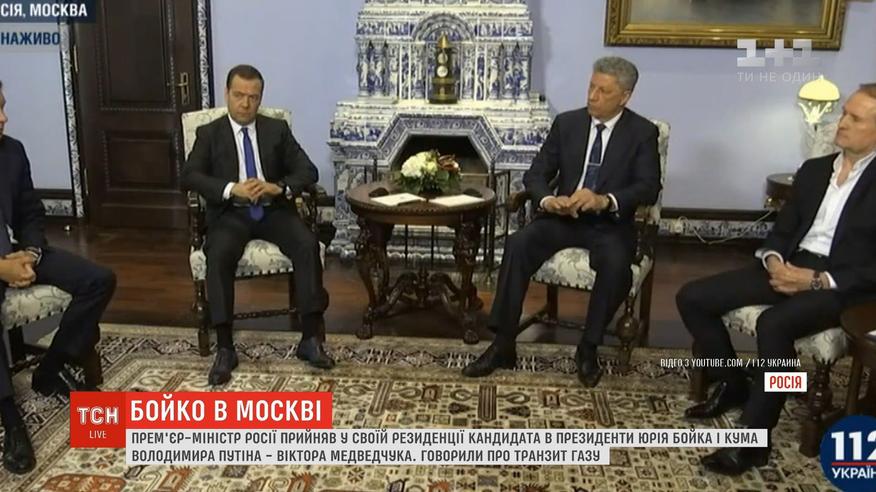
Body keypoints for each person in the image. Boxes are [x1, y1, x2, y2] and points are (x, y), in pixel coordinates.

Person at [676, 84, 876, 476]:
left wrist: (816, 280)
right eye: (844, 113)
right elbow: (782, 231)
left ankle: (754, 441)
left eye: (855, 118)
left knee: (774, 324)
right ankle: (734, 383)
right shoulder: (815, 170)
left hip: (843, 285)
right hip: (791, 265)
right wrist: (774, 262)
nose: (842, 123)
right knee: (693, 297)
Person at [462, 57, 661, 387]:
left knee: (616, 265)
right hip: (564, 217)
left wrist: (604, 200)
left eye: (603, 91)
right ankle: (503, 343)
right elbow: (537, 173)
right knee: (518, 243)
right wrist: (547, 200)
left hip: (609, 224)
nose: (592, 96)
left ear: (625, 97)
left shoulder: (642, 133)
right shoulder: (567, 124)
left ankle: (588, 348)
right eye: (591, 86)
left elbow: (649, 187)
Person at [182, 65, 333, 386]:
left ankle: (309, 339)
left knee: (307, 244)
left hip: (273, 210)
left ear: (260, 98)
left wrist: (279, 187)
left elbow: (308, 171)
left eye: (253, 97)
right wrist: (230, 189)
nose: (245, 103)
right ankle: (225, 347)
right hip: (231, 213)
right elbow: (190, 176)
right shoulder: (209, 134)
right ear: (227, 94)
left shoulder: (276, 129)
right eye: (239, 95)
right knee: (219, 253)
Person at [0, 80, 116, 474]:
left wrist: (30, 254)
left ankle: (50, 369)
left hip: (20, 253)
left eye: (4, 106)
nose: (4, 118)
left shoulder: (12, 151)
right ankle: (10, 418)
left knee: (99, 279)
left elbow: (31, 212)